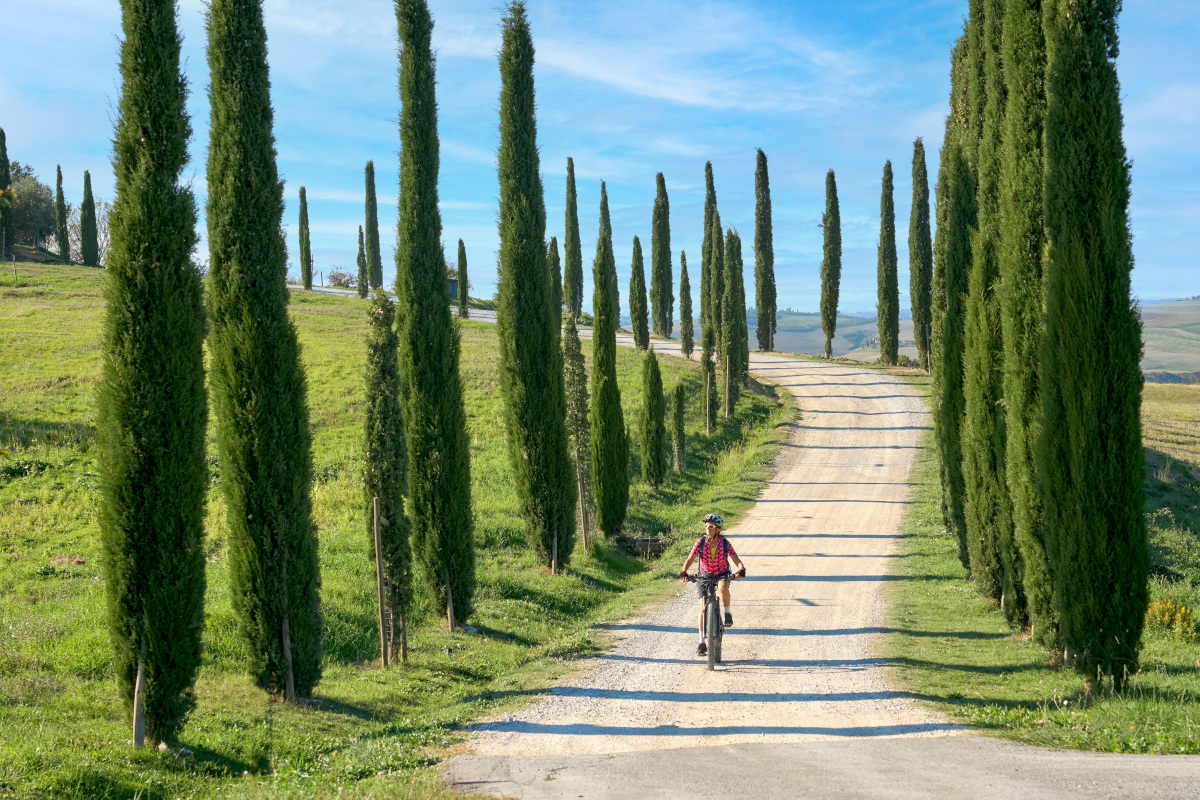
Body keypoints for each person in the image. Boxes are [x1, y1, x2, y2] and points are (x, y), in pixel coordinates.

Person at [678, 513, 746, 657]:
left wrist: (741, 568)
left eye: (711, 526)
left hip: (722, 573)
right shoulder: (700, 542)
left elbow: (735, 558)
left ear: (718, 529)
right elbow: (690, 558)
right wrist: (684, 570)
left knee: (722, 588)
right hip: (704, 575)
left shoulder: (725, 543)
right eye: (706, 526)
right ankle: (702, 642)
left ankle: (727, 614)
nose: (707, 528)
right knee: (703, 606)